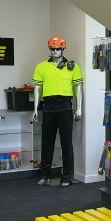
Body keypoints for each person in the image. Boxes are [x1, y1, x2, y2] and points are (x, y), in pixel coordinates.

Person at [32, 36, 83, 187]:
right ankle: (45, 174)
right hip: (48, 107)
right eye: (52, 49)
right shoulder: (41, 67)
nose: (55, 51)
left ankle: (67, 177)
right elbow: (37, 87)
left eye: (58, 49)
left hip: (65, 106)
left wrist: (79, 107)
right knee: (47, 142)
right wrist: (35, 108)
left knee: (67, 143)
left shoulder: (72, 67)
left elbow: (78, 87)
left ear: (63, 49)